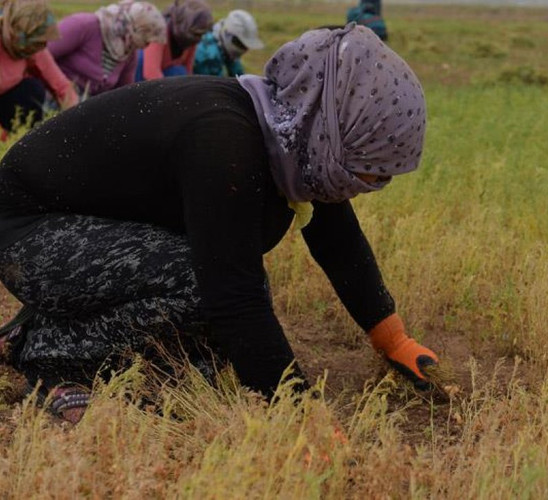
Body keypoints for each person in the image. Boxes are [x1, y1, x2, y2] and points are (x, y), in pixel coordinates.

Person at [0, 24, 438, 423]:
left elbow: (336, 237)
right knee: (199, 285)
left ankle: (44, 328)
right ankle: (44, 356)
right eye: (370, 169)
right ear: (335, 133)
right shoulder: (224, 139)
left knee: (213, 364)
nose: (373, 184)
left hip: (86, 231)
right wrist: (303, 419)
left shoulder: (291, 132)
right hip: (30, 232)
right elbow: (232, 293)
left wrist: (392, 339)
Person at [47, 1, 167, 99]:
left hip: (86, 106)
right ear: (135, 29)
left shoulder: (128, 53)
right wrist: (63, 88)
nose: (145, 46)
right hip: (54, 95)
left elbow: (124, 92)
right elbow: (44, 54)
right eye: (145, 40)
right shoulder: (85, 25)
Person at [0, 0, 78, 135]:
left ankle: (23, 137)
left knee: (31, 89)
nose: (39, 47)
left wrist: (75, 120)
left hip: (7, 103)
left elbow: (61, 86)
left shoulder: (33, 49)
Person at [135, 0, 211, 80]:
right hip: (142, 78)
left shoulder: (191, 39)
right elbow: (150, 73)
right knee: (140, 59)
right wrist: (168, 91)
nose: (198, 39)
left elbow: (188, 71)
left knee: (180, 72)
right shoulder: (159, 31)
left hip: (163, 78)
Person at [193, 9, 262, 78]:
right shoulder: (209, 54)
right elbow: (214, 85)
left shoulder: (223, 48)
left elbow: (238, 77)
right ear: (228, 35)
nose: (244, 49)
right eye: (241, 44)